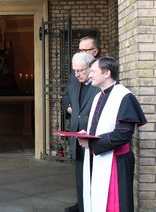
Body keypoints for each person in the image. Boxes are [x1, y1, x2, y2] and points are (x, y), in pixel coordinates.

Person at [78, 57, 147, 212]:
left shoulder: (124, 96)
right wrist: (87, 134)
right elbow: (98, 126)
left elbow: (123, 135)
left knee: (114, 205)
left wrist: (91, 143)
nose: (89, 75)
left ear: (107, 73)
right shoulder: (98, 96)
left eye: (94, 71)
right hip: (100, 156)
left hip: (117, 162)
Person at [62, 52, 100, 212]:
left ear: (90, 67)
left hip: (95, 141)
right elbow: (65, 96)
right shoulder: (74, 81)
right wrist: (69, 108)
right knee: (80, 180)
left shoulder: (99, 84)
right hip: (77, 138)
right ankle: (83, 207)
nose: (76, 74)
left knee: (95, 180)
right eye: (74, 70)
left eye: (80, 70)